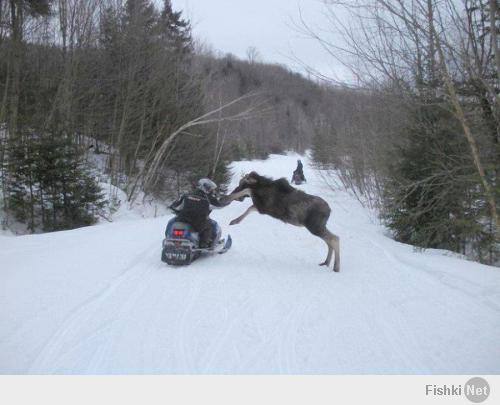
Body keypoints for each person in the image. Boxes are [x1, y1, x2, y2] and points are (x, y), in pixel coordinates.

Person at [169, 178, 229, 248]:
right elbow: (219, 205)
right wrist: (228, 201)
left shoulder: (186, 195)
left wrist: (176, 211)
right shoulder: (208, 198)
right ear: (204, 187)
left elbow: (175, 206)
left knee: (171, 222)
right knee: (210, 226)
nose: (210, 191)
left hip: (183, 219)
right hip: (198, 222)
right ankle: (204, 244)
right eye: (209, 189)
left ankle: (169, 237)